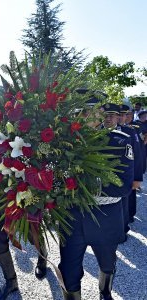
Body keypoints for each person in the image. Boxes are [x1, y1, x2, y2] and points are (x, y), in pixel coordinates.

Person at [58, 103, 134, 300]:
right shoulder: (63, 142)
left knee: (107, 263)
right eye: (79, 111)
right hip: (72, 216)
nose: (83, 116)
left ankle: (105, 292)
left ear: (100, 114)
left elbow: (124, 186)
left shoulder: (118, 141)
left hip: (106, 216)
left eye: (88, 111)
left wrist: (82, 185)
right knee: (68, 269)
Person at [118, 105, 143, 237]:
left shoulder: (131, 131)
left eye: (124, 114)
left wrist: (137, 178)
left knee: (126, 201)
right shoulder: (103, 130)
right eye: (120, 114)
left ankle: (124, 225)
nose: (123, 117)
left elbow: (137, 156)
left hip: (127, 174)